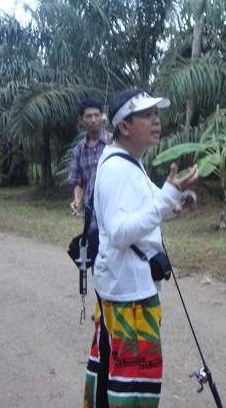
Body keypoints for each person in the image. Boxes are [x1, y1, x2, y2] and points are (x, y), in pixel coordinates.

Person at [83, 89, 199, 408]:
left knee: (119, 374)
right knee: (132, 383)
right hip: (129, 298)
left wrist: (173, 206)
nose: (156, 121)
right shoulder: (118, 169)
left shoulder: (128, 163)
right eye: (146, 115)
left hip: (127, 289)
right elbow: (120, 232)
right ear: (124, 126)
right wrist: (166, 196)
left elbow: (138, 218)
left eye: (156, 114)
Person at [68, 98, 113, 228]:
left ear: (102, 117)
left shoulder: (116, 143)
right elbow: (79, 183)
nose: (93, 120)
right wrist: (77, 200)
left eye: (96, 115)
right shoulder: (78, 150)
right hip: (92, 220)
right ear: (81, 120)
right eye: (88, 116)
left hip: (115, 215)